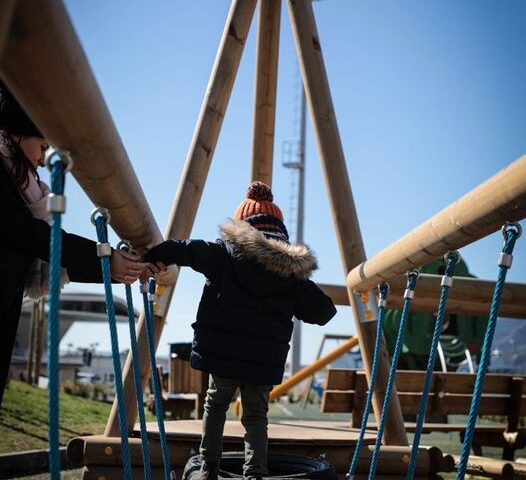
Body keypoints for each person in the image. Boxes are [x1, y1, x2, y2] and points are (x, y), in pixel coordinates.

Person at [143, 181, 337, 480]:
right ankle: (254, 473)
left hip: (223, 353)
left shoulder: (222, 254)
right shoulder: (290, 273)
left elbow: (185, 250)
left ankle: (208, 469)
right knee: (256, 415)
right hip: (263, 360)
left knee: (215, 404)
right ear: (278, 228)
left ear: (242, 224)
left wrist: (153, 255)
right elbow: (323, 313)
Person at [0, 83, 149, 405]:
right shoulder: (11, 185)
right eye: (42, 147)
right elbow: (26, 234)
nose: (43, 161)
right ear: (18, 132)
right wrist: (104, 260)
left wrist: (108, 265)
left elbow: (41, 246)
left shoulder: (22, 187)